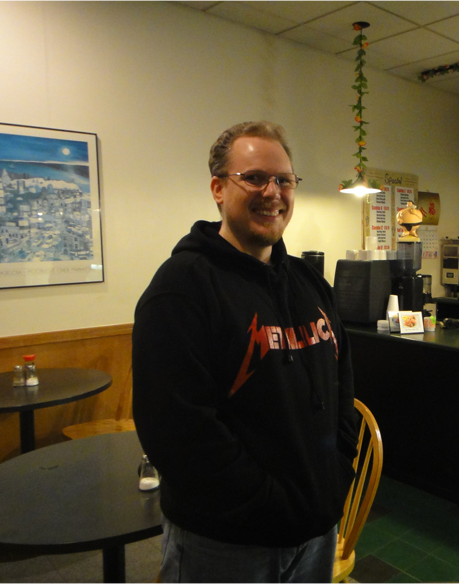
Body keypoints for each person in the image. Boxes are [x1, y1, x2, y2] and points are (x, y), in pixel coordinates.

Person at [132, 121, 359, 583]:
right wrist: (273, 507)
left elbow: (343, 387)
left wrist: (336, 476)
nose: (272, 192)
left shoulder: (310, 283)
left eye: (284, 180)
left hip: (317, 531)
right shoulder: (181, 289)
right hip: (226, 544)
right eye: (254, 178)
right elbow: (179, 433)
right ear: (218, 189)